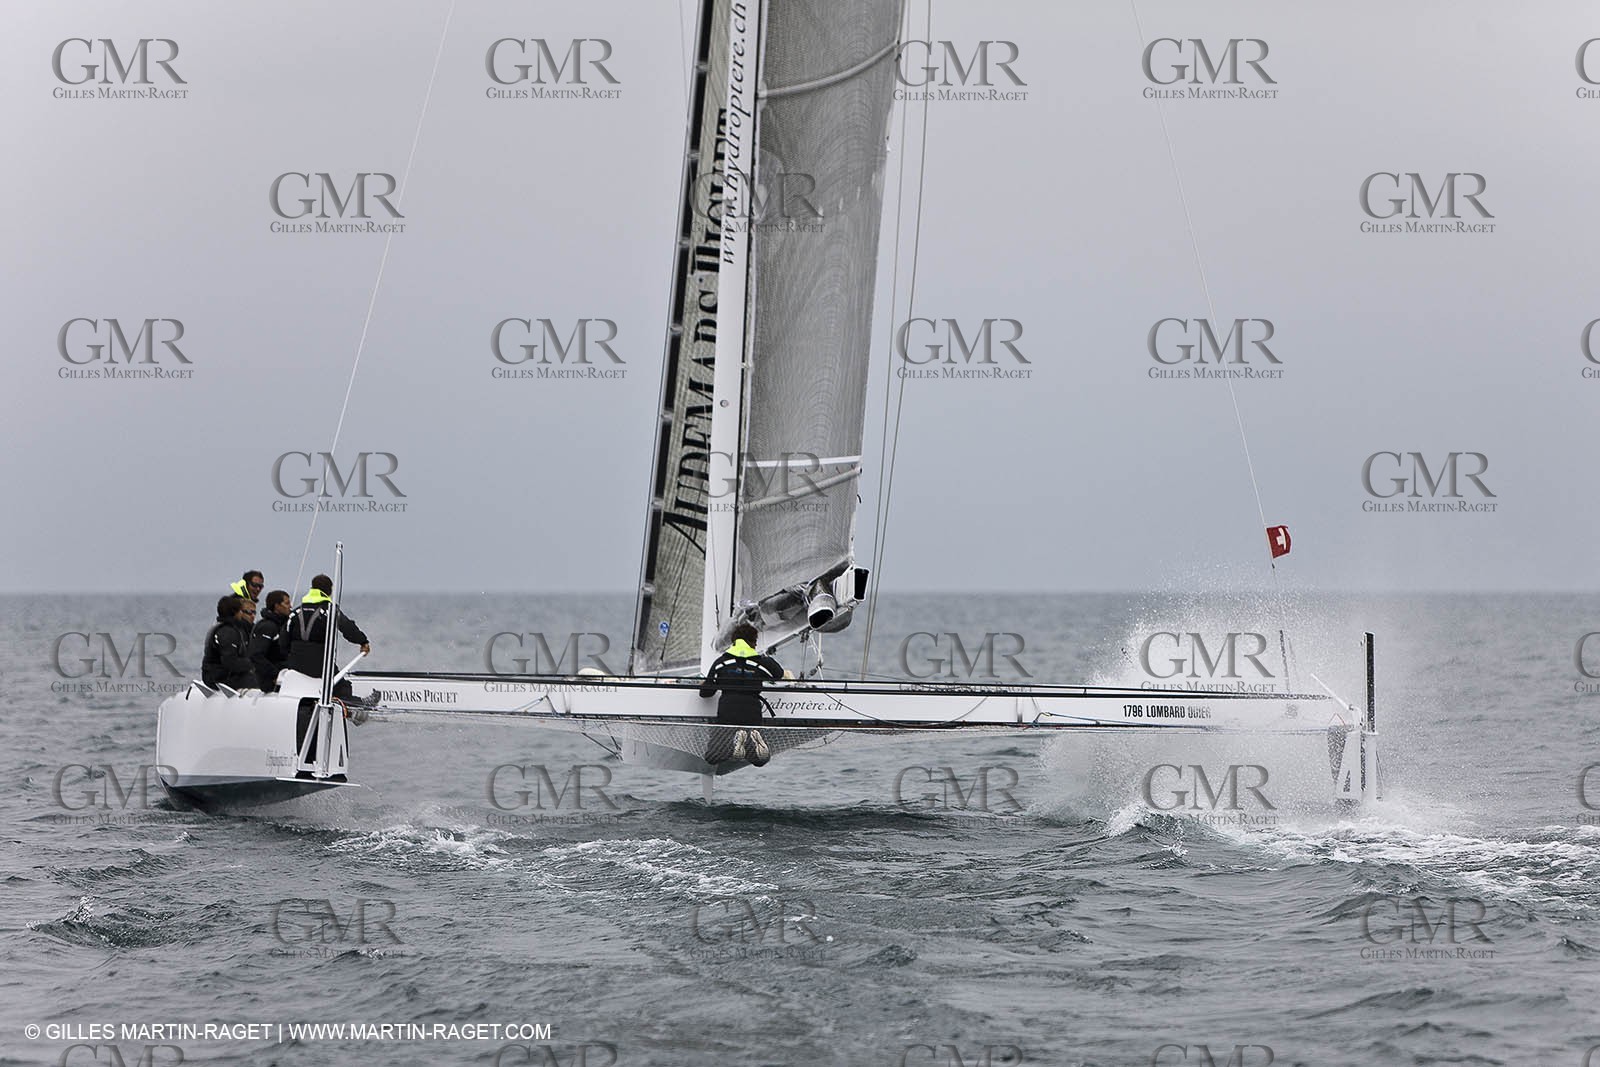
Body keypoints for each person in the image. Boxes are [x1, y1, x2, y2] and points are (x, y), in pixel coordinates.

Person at [699, 622, 785, 767]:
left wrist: (707, 684)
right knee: (760, 761)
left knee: (712, 757)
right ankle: (747, 743)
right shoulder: (759, 662)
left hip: (727, 712)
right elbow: (779, 674)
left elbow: (706, 693)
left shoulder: (722, 662)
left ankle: (735, 746)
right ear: (752, 642)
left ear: (733, 641)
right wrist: (763, 658)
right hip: (752, 713)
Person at [283, 575, 371, 700]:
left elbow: (283, 642)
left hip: (295, 666)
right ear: (329, 591)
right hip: (321, 667)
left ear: (312, 588)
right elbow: (348, 628)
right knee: (343, 686)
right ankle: (354, 709)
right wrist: (363, 641)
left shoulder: (295, 613)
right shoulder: (330, 610)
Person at [202, 595, 258, 690]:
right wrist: (254, 663)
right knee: (260, 680)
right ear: (235, 612)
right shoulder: (227, 632)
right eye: (240, 611)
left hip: (220, 675)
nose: (241, 614)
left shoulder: (227, 628)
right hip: (218, 678)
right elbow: (230, 662)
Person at [249, 589, 293, 692]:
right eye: (287, 603)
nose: (290, 606)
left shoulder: (285, 625)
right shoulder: (267, 627)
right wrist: (275, 675)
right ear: (277, 606)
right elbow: (256, 655)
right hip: (271, 680)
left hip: (287, 675)